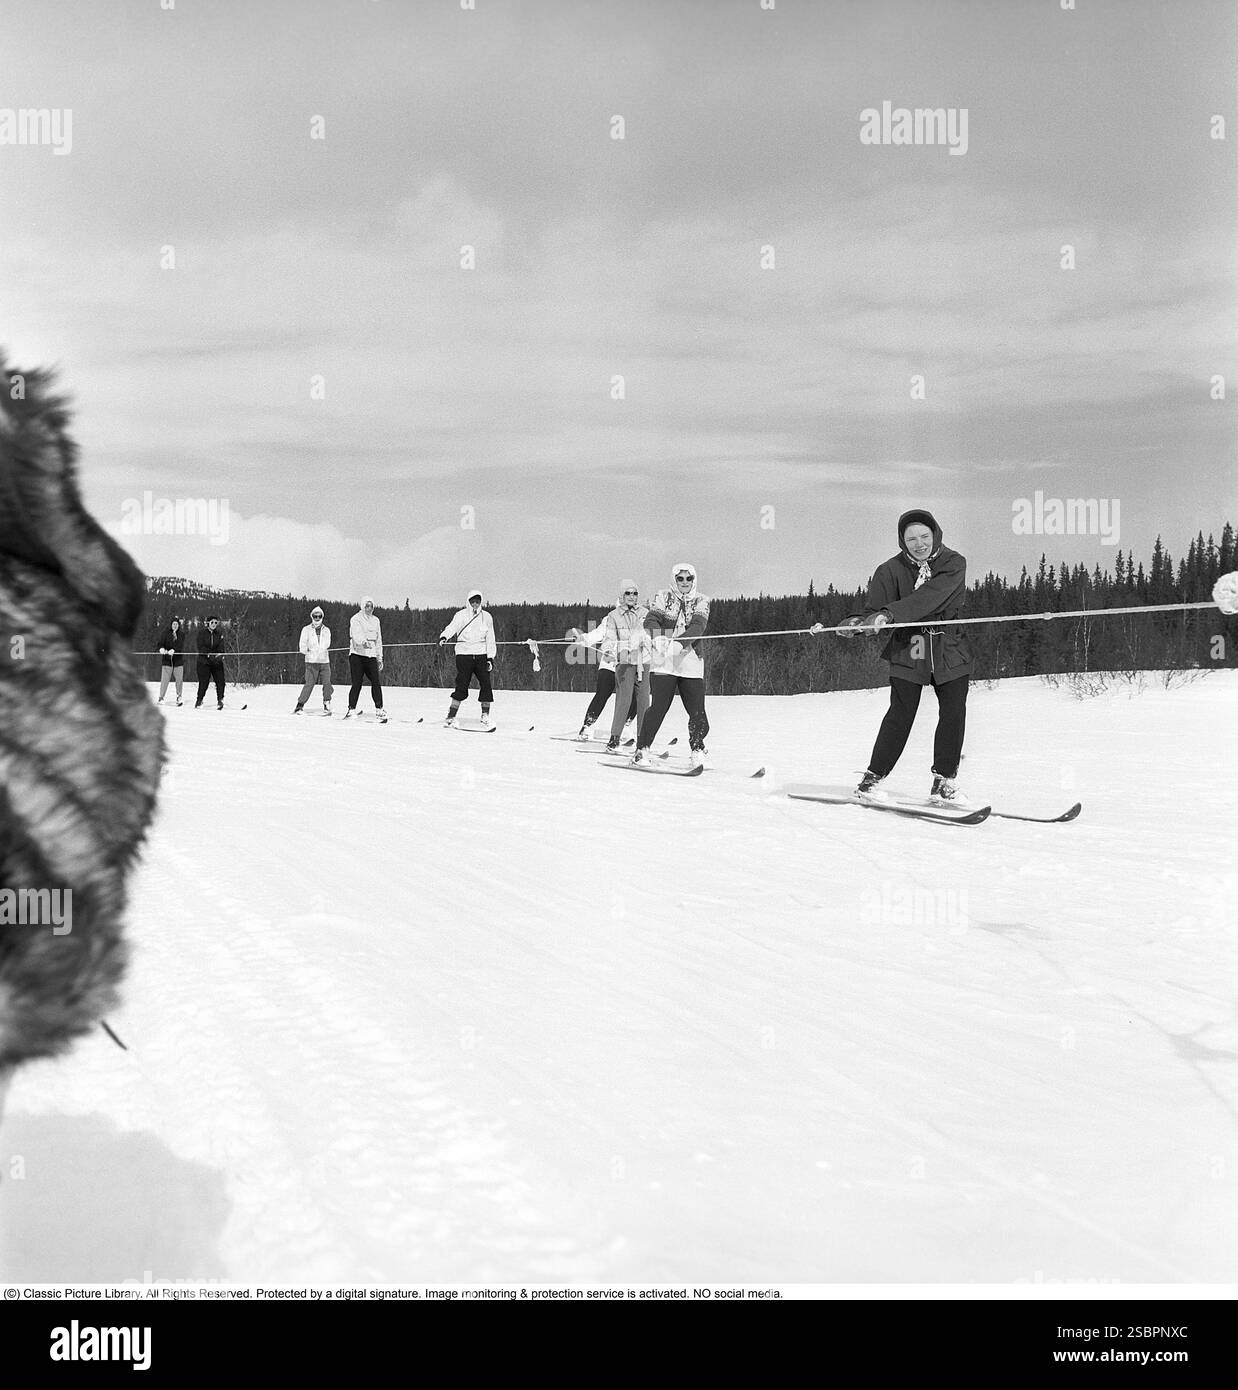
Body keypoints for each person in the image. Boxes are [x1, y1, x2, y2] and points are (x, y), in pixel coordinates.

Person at [839, 508, 973, 803]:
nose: (919, 543)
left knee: (953, 713)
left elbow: (928, 598)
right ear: (903, 541)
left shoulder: (953, 563)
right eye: (911, 538)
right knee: (900, 715)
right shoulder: (889, 570)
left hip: (948, 647)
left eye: (924, 536)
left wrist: (890, 613)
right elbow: (873, 610)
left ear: (935, 534)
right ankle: (871, 781)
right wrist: (857, 626)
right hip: (910, 645)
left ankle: (944, 782)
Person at [631, 562, 711, 767]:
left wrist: (680, 643)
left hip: (690, 660)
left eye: (688, 578)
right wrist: (658, 638)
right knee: (658, 707)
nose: (684, 582)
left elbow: (698, 627)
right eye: (680, 578)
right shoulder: (663, 596)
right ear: (674, 580)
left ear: (694, 579)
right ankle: (642, 750)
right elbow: (651, 619)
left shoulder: (703, 601)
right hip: (664, 660)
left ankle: (697, 749)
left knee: (698, 712)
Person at [569, 607, 640, 741]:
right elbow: (598, 633)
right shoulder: (610, 619)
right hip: (609, 662)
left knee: (635, 696)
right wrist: (584, 638)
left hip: (629, 664)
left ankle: (625, 726)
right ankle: (587, 726)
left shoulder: (638, 620)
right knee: (603, 693)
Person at [600, 584, 651, 749]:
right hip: (624, 660)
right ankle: (614, 738)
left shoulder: (645, 613)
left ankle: (642, 741)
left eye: (635, 593)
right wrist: (607, 650)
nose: (631, 596)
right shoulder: (613, 615)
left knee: (644, 701)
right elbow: (609, 636)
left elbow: (651, 632)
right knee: (624, 699)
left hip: (643, 661)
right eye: (628, 593)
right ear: (622, 595)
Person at [439, 588, 497, 726]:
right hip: (464, 655)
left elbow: (491, 638)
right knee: (462, 685)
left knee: (486, 685)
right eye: (472, 601)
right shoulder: (460, 615)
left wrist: (490, 658)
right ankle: (451, 716)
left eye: (477, 601)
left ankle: (485, 715)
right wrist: (444, 636)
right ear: (468, 602)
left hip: (481, 655)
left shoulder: (487, 617)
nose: (475, 604)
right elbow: (452, 627)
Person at [345, 596, 386, 721]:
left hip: (371, 655)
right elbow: (356, 634)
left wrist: (379, 657)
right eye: (367, 606)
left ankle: (379, 709)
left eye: (371, 606)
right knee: (357, 683)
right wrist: (363, 642)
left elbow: (378, 640)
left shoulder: (376, 621)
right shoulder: (355, 619)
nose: (369, 608)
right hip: (357, 655)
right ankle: (351, 709)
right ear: (362, 607)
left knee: (376, 682)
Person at [294, 606, 334, 714]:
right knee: (309, 684)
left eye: (319, 616)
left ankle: (327, 703)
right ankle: (299, 705)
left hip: (324, 661)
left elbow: (327, 643)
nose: (317, 618)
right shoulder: (306, 629)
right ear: (312, 616)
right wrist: (307, 651)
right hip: (311, 662)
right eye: (315, 616)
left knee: (327, 683)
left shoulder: (327, 630)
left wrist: (318, 650)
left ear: (322, 617)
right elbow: (302, 645)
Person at [195, 615, 227, 708]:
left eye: (216, 623)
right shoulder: (202, 633)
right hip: (204, 662)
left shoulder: (219, 634)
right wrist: (208, 654)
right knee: (204, 682)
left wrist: (219, 655)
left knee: (221, 681)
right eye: (212, 622)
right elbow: (200, 646)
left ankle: (220, 700)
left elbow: (221, 647)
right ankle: (199, 700)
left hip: (216, 662)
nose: (214, 624)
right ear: (208, 623)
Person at [156, 615, 186, 705]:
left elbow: (180, 645)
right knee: (164, 680)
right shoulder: (165, 633)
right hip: (167, 660)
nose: (175, 625)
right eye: (173, 624)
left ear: (179, 625)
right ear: (171, 625)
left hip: (178, 661)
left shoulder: (181, 634)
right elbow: (160, 643)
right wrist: (161, 649)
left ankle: (179, 696)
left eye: (177, 624)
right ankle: (161, 697)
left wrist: (174, 650)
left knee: (179, 680)